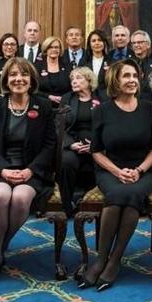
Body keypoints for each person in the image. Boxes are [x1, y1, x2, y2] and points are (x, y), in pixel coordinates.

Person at [78, 59, 152, 291]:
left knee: (132, 195)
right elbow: (95, 151)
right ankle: (101, 259)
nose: (132, 80)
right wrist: (116, 171)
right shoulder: (102, 109)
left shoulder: (149, 108)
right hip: (109, 169)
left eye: (135, 75)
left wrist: (139, 170)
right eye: (126, 76)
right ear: (115, 79)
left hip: (143, 170)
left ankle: (114, 260)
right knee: (115, 196)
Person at [0, 57, 56, 285]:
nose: (18, 79)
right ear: (6, 80)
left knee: (20, 198)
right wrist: (3, 171)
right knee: (2, 195)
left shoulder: (44, 106)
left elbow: (50, 146)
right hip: (0, 169)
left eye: (23, 75)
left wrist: (30, 170)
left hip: (33, 171)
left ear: (31, 80)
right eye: (13, 75)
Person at [59, 66, 105, 214]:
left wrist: (96, 145)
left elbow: (110, 124)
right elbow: (59, 125)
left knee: (102, 161)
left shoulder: (103, 97)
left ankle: (96, 204)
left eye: (79, 78)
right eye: (72, 79)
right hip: (74, 143)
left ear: (89, 80)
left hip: (96, 145)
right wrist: (70, 144)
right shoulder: (67, 98)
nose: (74, 81)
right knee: (66, 162)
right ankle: (66, 205)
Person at [36, 36, 71, 104]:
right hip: (42, 105)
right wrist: (48, 96)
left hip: (63, 106)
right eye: (51, 47)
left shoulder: (67, 66)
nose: (54, 49)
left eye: (56, 47)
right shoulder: (38, 66)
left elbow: (72, 88)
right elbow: (33, 88)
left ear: (60, 49)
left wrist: (64, 98)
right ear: (46, 49)